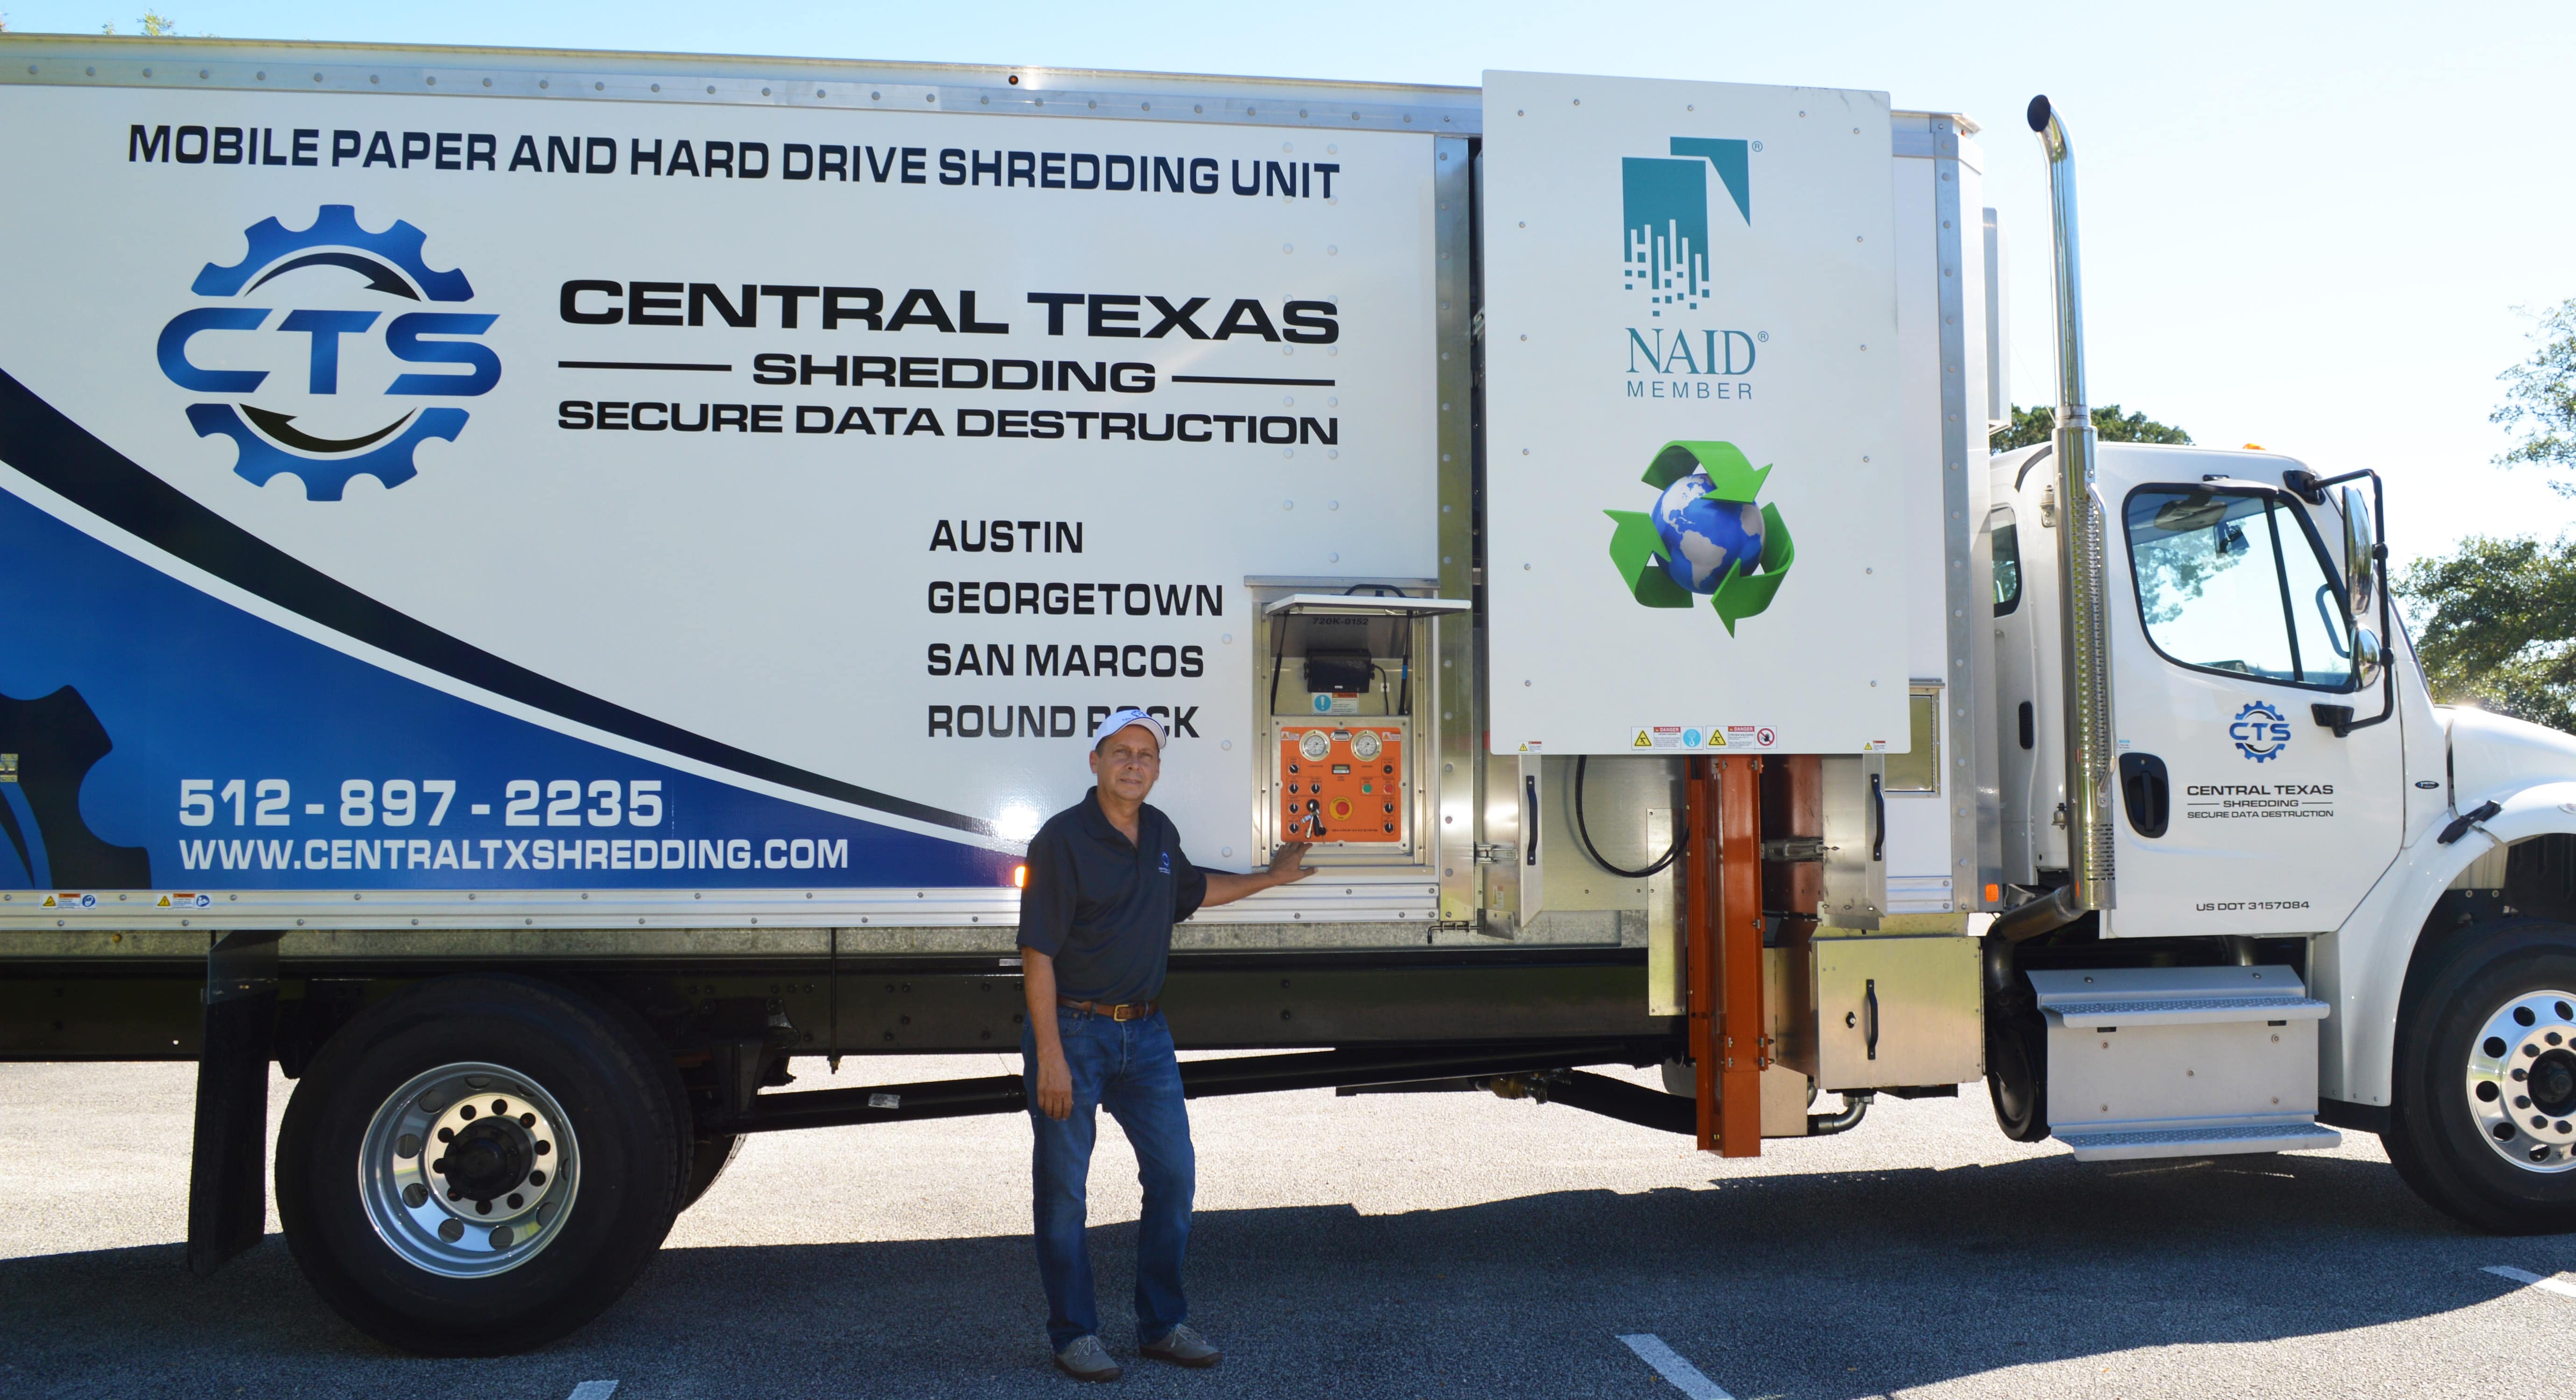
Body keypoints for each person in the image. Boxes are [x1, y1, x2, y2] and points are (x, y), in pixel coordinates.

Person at [1016, 707, 1314, 1382]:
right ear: (1094, 762)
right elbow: (1037, 954)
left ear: (1156, 768)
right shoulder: (1061, 840)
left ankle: (1160, 1326)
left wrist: (1270, 877)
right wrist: (1052, 1058)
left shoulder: (1157, 831)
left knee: (1174, 1177)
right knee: (1064, 1193)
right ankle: (1074, 1335)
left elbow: (1194, 889)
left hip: (1145, 1035)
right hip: (1074, 1032)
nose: (1133, 764)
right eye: (1120, 752)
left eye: (1145, 755)